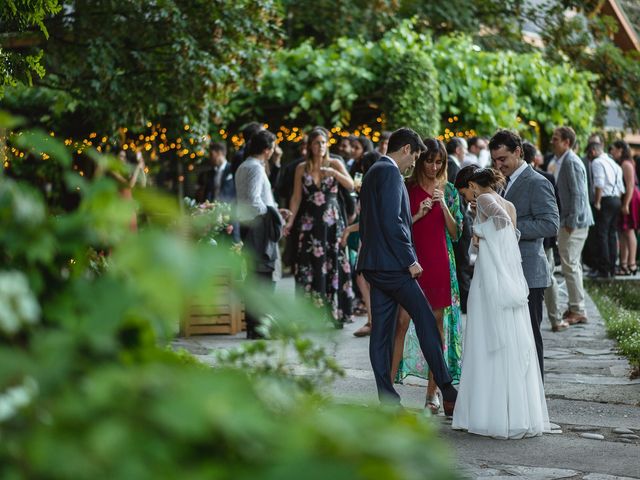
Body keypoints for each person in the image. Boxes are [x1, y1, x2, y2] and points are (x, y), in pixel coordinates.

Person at [357, 127, 457, 412]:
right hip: (393, 266)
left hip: (375, 264)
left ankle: (388, 400)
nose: (413, 163)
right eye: (414, 156)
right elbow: (393, 222)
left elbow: (370, 222)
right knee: (426, 318)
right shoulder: (389, 172)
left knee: (381, 334)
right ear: (405, 150)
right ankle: (448, 388)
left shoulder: (373, 171)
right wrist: (409, 259)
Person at [452, 167, 550, 439]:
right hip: (506, 275)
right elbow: (512, 233)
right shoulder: (509, 202)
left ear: (472, 184)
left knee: (486, 339)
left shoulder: (484, 199)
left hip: (490, 278)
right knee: (509, 341)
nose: (467, 198)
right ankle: (511, 412)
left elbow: (503, 224)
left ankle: (486, 414)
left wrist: (479, 233)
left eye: (464, 192)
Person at [391, 138, 463, 414]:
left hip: (439, 262)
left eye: (439, 162)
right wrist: (418, 214)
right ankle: (389, 390)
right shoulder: (406, 188)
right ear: (419, 160)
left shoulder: (451, 190)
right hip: (412, 262)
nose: (434, 167)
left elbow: (456, 234)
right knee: (402, 322)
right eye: (429, 161)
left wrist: (443, 205)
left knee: (436, 328)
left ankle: (433, 393)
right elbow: (398, 228)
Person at [491, 130, 559, 378]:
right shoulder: (503, 183)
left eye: (503, 159)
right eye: (495, 160)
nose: (498, 165)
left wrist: (511, 225)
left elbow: (551, 225)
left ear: (518, 152)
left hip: (529, 273)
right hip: (507, 272)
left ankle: (536, 398)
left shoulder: (538, 182)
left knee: (530, 339)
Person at [284, 128, 355, 327]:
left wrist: (334, 173)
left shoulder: (335, 163)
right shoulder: (301, 168)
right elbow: (296, 197)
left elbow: (351, 185)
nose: (320, 146)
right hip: (309, 223)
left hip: (332, 222)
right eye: (316, 143)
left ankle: (334, 312)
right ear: (310, 146)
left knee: (333, 264)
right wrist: (289, 222)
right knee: (309, 267)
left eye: (323, 143)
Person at [235, 129, 289, 339]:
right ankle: (259, 326)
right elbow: (254, 201)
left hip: (250, 225)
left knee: (255, 276)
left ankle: (254, 326)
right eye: (273, 147)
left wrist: (273, 207)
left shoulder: (243, 166)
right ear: (267, 150)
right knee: (263, 276)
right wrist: (273, 211)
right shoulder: (255, 168)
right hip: (259, 227)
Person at [522, 141, 568, 332]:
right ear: (535, 158)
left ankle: (556, 318)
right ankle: (556, 319)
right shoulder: (546, 176)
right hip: (542, 241)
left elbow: (552, 214)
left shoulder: (543, 179)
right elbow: (559, 207)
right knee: (548, 279)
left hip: (541, 239)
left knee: (547, 278)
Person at [551, 126, 594, 325]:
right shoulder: (564, 161)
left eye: (556, 139)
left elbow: (578, 194)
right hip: (571, 222)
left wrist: (571, 223)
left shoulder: (571, 162)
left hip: (574, 223)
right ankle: (575, 306)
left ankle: (578, 309)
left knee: (570, 265)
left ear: (567, 142)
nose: (552, 141)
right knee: (570, 265)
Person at [586, 142, 624, 278]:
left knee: (601, 234)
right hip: (616, 199)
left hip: (605, 199)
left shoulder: (597, 162)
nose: (589, 158)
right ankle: (612, 268)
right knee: (612, 234)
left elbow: (599, 184)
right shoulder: (614, 164)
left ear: (593, 151)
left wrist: (597, 202)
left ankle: (603, 269)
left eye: (589, 154)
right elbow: (621, 187)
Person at [611, 140, 640, 276]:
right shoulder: (624, 163)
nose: (612, 152)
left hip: (631, 199)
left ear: (620, 150)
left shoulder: (626, 164)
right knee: (624, 231)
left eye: (614, 149)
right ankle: (624, 264)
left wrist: (626, 204)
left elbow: (630, 186)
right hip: (628, 198)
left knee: (629, 231)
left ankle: (631, 263)